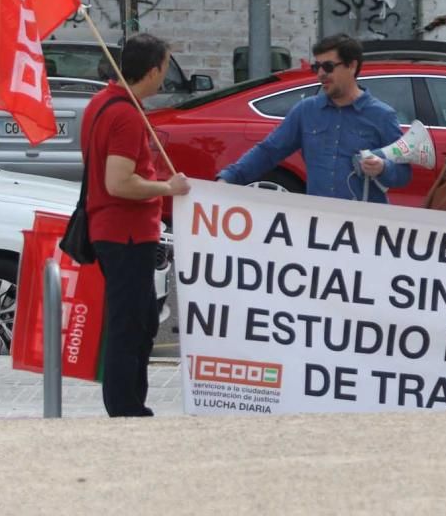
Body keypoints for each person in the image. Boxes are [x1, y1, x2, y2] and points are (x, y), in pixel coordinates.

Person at [82, 33, 191, 417]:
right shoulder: (125, 114)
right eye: (164, 66)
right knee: (129, 325)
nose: (165, 75)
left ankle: (131, 401)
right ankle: (125, 407)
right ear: (152, 70)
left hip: (116, 232)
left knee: (141, 319)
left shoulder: (102, 102)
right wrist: (167, 187)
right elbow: (118, 181)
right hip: (125, 235)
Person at [218, 34, 411, 201]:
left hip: (364, 228)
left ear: (351, 66)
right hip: (320, 224)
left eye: (328, 66)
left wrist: (383, 168)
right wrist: (227, 179)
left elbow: (403, 174)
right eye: (316, 67)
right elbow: (268, 151)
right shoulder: (306, 111)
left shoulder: (381, 115)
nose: (321, 74)